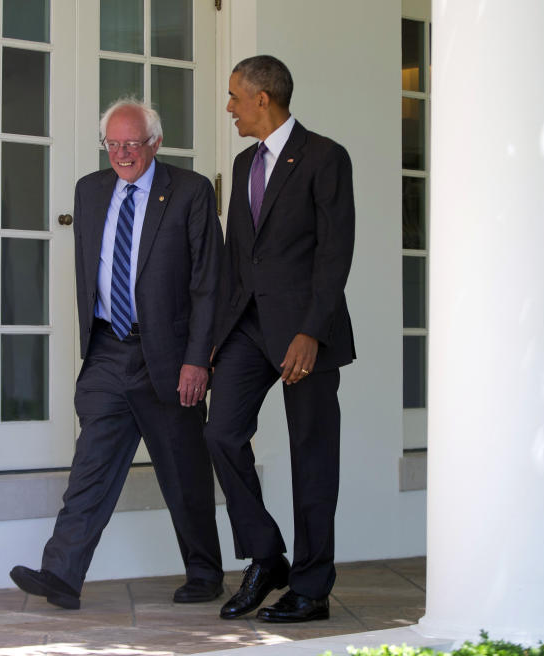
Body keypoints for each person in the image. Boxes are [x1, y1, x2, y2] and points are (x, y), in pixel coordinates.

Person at [10, 99, 224, 609]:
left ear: (156, 143)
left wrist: (199, 359)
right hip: (107, 349)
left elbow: (209, 283)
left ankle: (205, 573)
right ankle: (61, 574)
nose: (122, 153)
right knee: (90, 467)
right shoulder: (90, 190)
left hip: (169, 356)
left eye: (132, 143)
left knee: (183, 470)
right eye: (113, 144)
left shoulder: (191, 191)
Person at [205, 55, 356, 623]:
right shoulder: (245, 162)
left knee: (311, 457)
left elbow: (334, 253)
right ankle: (267, 556)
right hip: (247, 325)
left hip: (304, 332)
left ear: (262, 97)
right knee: (220, 434)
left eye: (234, 97)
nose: (229, 108)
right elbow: (238, 257)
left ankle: (312, 589)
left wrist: (310, 331)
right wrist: (219, 336)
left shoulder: (325, 157)